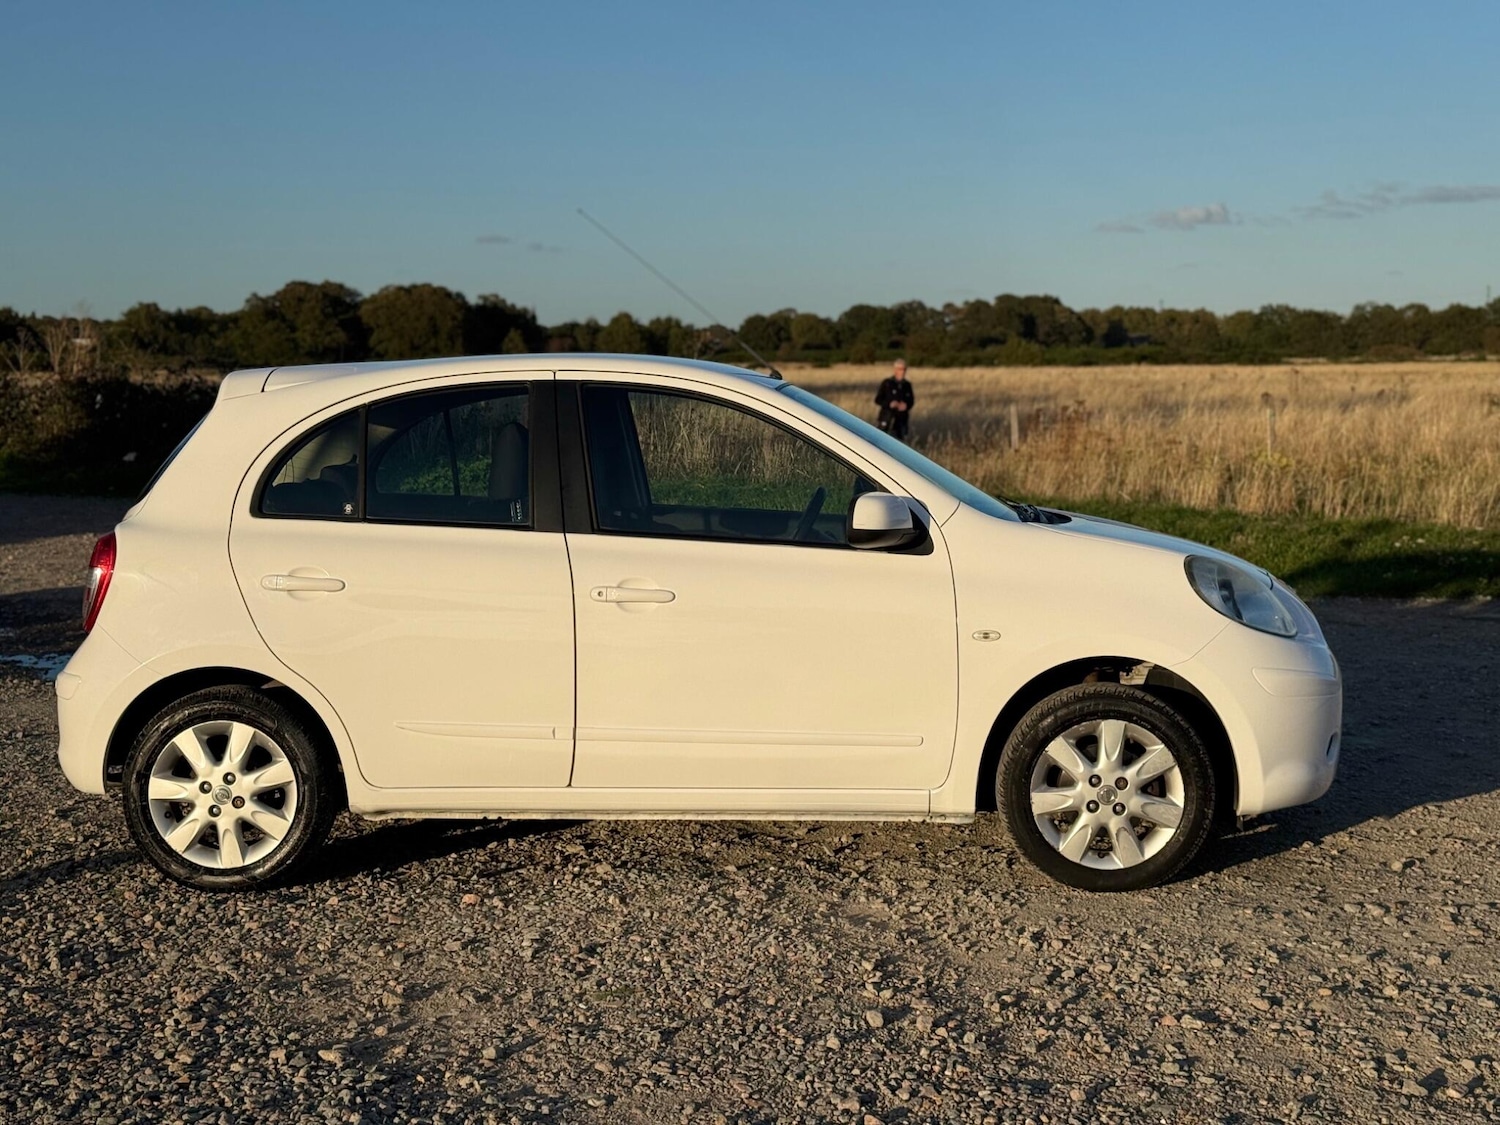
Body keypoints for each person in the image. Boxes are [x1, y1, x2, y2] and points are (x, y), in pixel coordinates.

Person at [874, 358, 915, 442]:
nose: (902, 372)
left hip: (901, 420)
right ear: (895, 370)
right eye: (900, 369)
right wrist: (890, 404)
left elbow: (911, 401)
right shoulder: (887, 383)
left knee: (899, 442)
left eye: (904, 369)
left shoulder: (907, 385)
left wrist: (906, 405)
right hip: (886, 418)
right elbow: (878, 399)